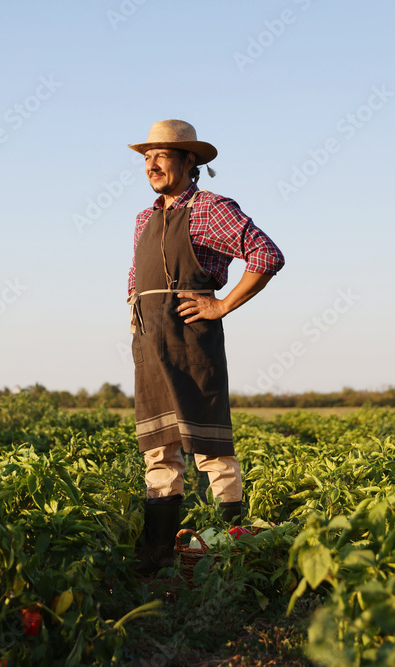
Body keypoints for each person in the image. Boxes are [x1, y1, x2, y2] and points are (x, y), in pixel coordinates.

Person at [126, 119, 285, 575]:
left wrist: (221, 306)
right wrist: (135, 320)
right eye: (146, 157)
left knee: (210, 447)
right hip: (148, 342)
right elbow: (136, 283)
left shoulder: (211, 208)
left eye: (162, 155)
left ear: (188, 161)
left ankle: (232, 552)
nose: (151, 165)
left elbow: (266, 255)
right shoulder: (145, 218)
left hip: (191, 340)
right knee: (158, 449)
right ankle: (157, 557)